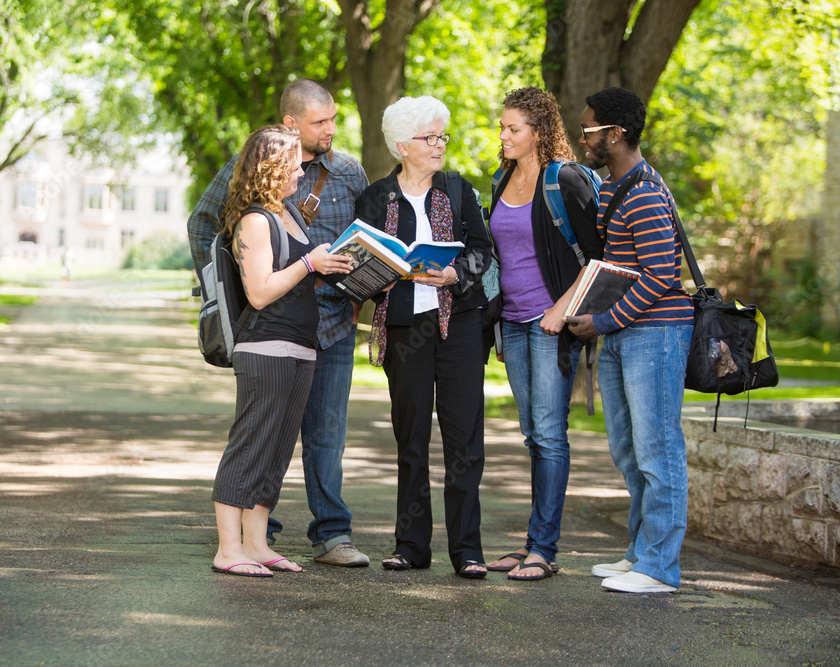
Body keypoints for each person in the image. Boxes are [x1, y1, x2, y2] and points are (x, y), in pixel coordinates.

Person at [188, 79, 371, 567]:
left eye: (333, 119)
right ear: (290, 128)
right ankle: (242, 541)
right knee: (257, 438)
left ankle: (300, 539)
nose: (330, 130)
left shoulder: (338, 179)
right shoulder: (254, 197)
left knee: (308, 437)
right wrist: (228, 297)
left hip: (321, 331)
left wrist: (357, 295)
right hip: (268, 333)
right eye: (320, 122)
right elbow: (211, 233)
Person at [354, 96, 493, 578]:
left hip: (461, 328)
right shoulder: (375, 198)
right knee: (411, 439)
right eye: (429, 138)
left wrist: (456, 274)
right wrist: (384, 273)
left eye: (442, 137)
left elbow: (482, 249)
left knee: (464, 441)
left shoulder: (459, 190)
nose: (439, 146)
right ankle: (411, 546)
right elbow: (359, 265)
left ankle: (467, 551)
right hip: (406, 329)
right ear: (401, 145)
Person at [566, 87, 694, 594]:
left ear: (615, 135)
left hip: (656, 334)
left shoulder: (644, 192)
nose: (583, 139)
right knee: (628, 450)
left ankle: (660, 569)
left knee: (658, 452)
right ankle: (641, 553)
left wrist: (603, 321)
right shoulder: (618, 184)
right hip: (625, 331)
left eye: (589, 130)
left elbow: (663, 274)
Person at [210, 125, 353, 577]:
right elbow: (260, 291)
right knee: (251, 446)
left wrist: (330, 266)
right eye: (292, 163)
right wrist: (310, 263)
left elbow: (296, 274)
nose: (300, 170)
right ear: (272, 168)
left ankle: (255, 544)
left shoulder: (289, 212)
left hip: (301, 347)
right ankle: (228, 549)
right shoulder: (255, 220)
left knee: (276, 450)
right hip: (266, 348)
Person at [485, 87, 604, 581]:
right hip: (511, 323)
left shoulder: (565, 180)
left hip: (549, 322)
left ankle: (544, 550)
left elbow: (599, 257)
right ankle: (534, 539)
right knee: (534, 435)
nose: (504, 136)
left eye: (514, 128)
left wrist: (561, 309)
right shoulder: (500, 179)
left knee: (551, 435)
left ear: (538, 132)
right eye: (503, 127)